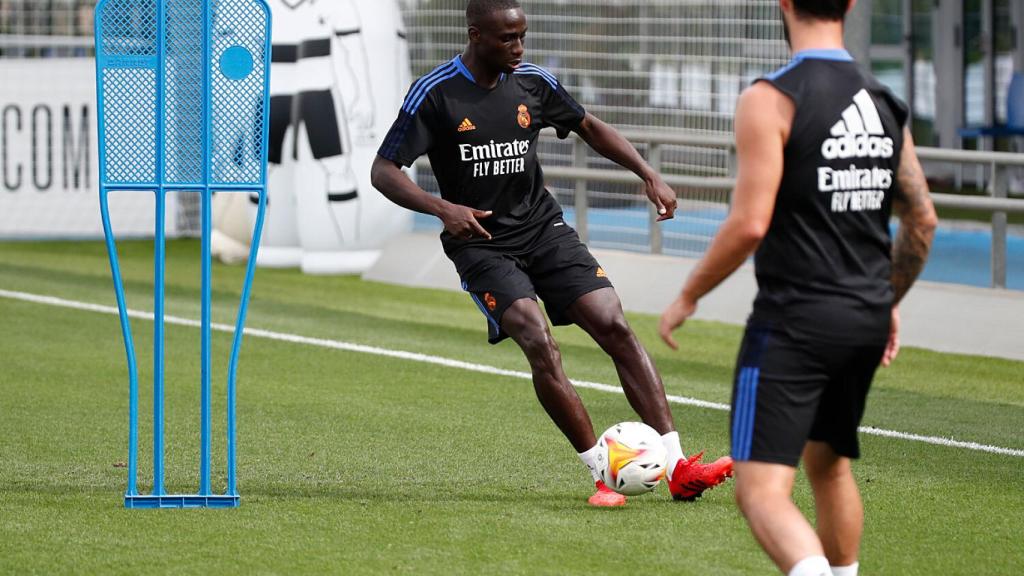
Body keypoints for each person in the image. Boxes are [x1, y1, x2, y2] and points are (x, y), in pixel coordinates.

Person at [371, 0, 732, 507]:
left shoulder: (534, 82)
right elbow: (383, 170)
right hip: (481, 243)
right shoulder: (434, 94)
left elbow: (589, 126)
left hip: (543, 228)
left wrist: (647, 173)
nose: (518, 47)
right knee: (536, 336)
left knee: (614, 324)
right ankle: (602, 478)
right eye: (506, 39)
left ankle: (678, 467)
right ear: (476, 35)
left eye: (522, 36)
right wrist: (440, 207)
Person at [658, 0, 937, 574]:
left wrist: (689, 293)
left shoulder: (771, 97)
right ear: (852, 4)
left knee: (760, 492)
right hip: (863, 315)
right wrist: (886, 299)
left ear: (783, 3)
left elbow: (750, 223)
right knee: (829, 466)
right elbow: (922, 219)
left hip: (794, 322)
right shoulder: (884, 102)